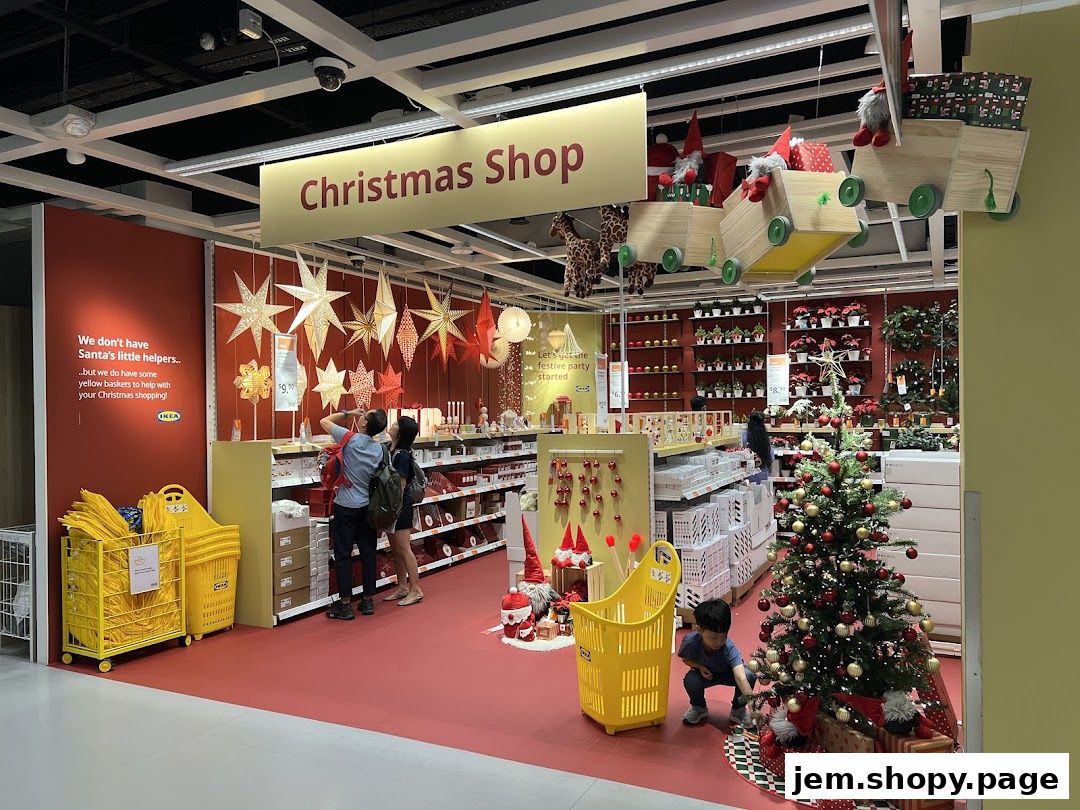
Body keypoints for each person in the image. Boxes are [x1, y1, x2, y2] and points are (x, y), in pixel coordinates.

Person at [320, 407, 388, 620]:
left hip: (346, 504)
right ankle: (368, 600)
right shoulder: (379, 449)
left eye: (364, 415)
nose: (362, 416)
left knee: (343, 554)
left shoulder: (349, 438)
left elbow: (324, 420)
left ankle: (345, 604)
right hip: (368, 506)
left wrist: (348, 413)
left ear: (365, 423)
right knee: (368, 552)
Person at [679, 599, 756, 726]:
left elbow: (741, 677)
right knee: (691, 680)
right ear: (700, 630)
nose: (719, 642)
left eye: (724, 636)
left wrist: (753, 707)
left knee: (749, 675)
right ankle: (699, 708)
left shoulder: (728, 647)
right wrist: (699, 666)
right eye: (714, 637)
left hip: (728, 674)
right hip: (706, 675)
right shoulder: (690, 643)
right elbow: (686, 659)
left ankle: (738, 710)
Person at [384, 415, 424, 607]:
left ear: (400, 432)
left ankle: (415, 589)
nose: (391, 426)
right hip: (393, 506)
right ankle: (402, 586)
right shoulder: (391, 450)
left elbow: (399, 486)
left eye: (395, 424)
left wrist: (392, 509)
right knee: (396, 549)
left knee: (404, 548)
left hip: (399, 505)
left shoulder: (401, 455)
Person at [743, 410, 773, 483]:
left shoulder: (744, 435)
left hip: (748, 472)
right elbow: (770, 454)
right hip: (762, 471)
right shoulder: (765, 437)